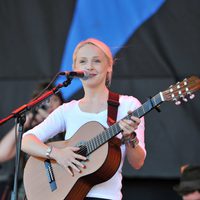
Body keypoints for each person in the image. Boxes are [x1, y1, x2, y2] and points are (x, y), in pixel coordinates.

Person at [22, 38, 146, 200]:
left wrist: (130, 137)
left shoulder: (128, 105)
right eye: (83, 61)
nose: (89, 66)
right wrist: (57, 154)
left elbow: (137, 163)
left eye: (96, 61)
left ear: (109, 66)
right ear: (75, 68)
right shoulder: (67, 110)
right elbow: (26, 140)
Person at [0, 82, 64, 199]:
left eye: (54, 100)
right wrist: (28, 120)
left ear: (61, 103)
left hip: (59, 189)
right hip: (28, 191)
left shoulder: (66, 125)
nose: (49, 105)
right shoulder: (30, 133)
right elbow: (2, 154)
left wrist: (50, 121)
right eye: (45, 100)